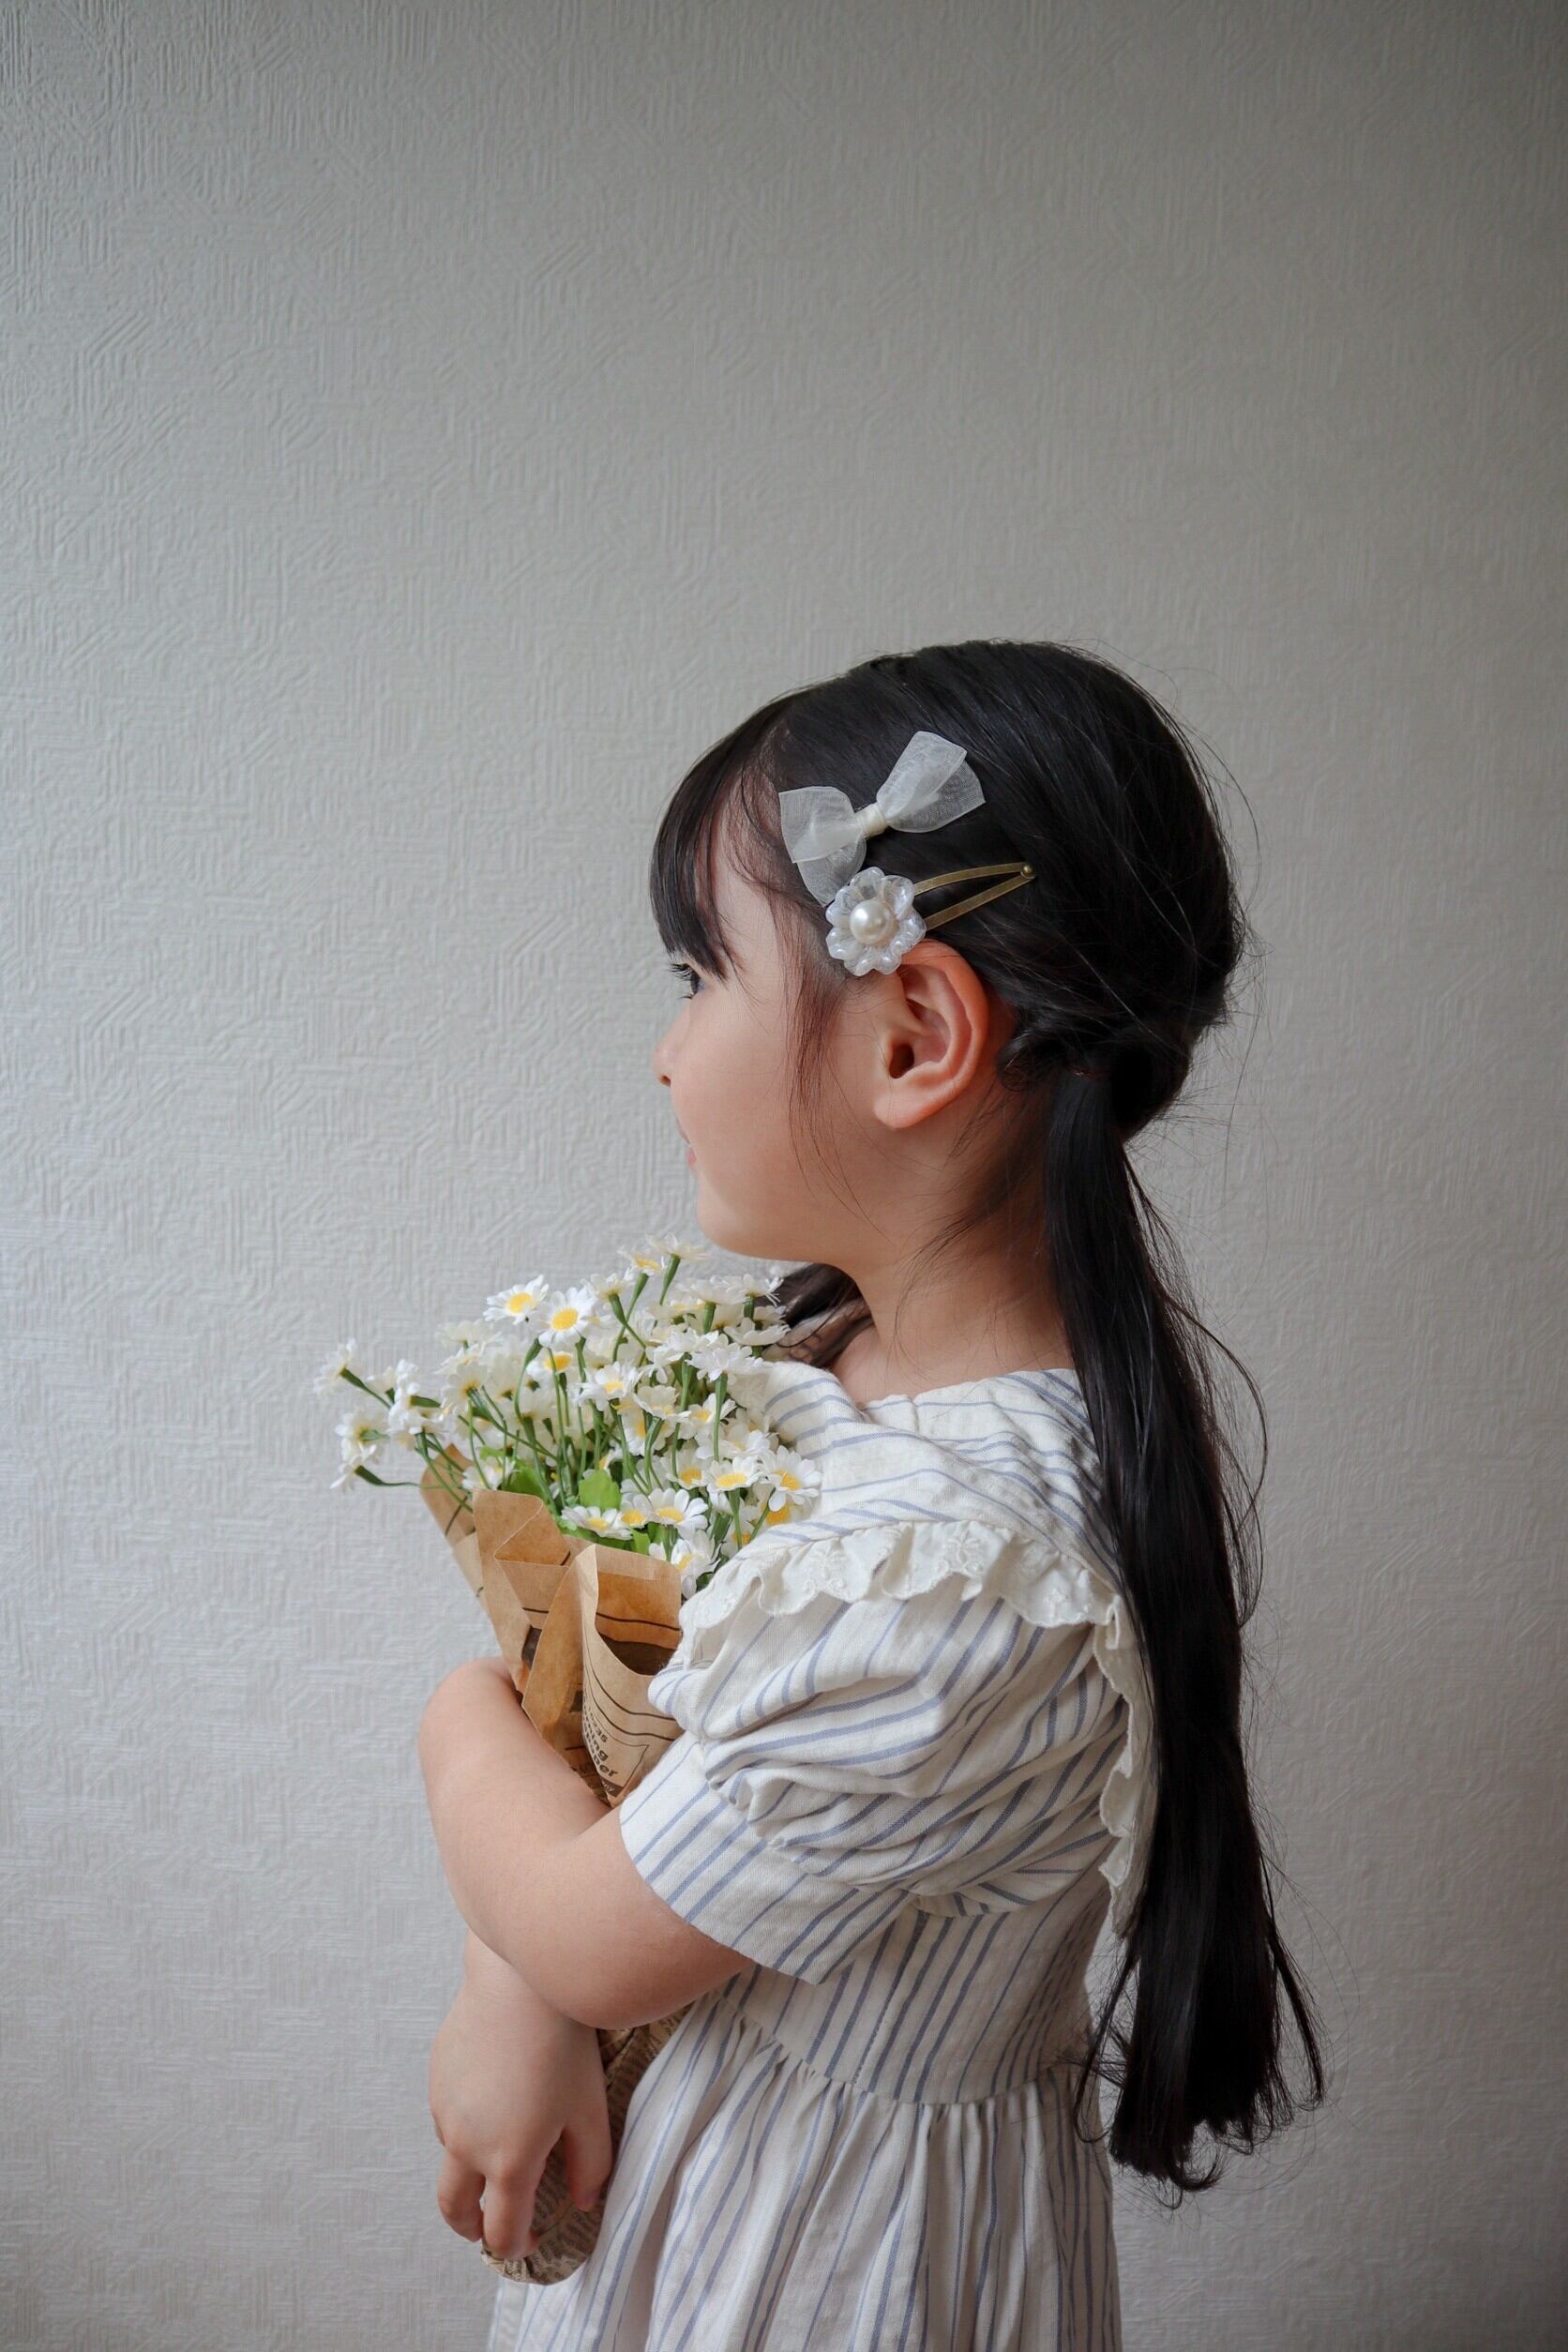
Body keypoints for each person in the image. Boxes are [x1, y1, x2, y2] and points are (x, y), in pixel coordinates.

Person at [417, 641, 1328, 2350]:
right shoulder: (830, 1368)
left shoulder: (961, 1580)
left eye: (699, 973)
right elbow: (609, 1819)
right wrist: (511, 1974)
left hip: (816, 2263)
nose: (665, 1051)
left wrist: (457, 1725)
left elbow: (592, 1929)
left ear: (914, 1034)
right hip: (698, 2168)